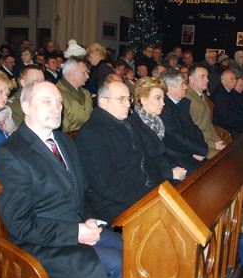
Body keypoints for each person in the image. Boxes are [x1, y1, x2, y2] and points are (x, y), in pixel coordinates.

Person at [0, 81, 122, 278]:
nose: (56, 108)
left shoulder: (64, 142)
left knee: (133, 246)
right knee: (116, 264)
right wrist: (76, 232)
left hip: (78, 228)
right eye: (47, 102)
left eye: (59, 102)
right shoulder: (11, 154)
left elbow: (84, 191)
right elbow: (20, 223)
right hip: (41, 246)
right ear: (26, 107)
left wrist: (91, 217)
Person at [76, 81, 163, 222]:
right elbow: (107, 184)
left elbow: (147, 160)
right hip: (116, 205)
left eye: (128, 99)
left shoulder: (126, 123)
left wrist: (161, 187)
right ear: (103, 102)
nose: (128, 105)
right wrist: (150, 195)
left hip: (144, 191)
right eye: (121, 99)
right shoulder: (91, 133)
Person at [127, 77, 187, 182]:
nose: (163, 103)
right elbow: (143, 165)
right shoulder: (133, 126)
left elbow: (165, 152)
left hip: (166, 169)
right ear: (143, 99)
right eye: (157, 98)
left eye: (162, 99)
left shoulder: (157, 121)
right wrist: (170, 172)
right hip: (153, 179)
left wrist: (177, 167)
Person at [159, 68, 208, 173]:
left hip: (191, 152)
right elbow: (175, 138)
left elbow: (195, 129)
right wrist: (196, 152)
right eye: (182, 84)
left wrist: (201, 149)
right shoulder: (164, 109)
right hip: (178, 158)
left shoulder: (181, 103)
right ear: (171, 88)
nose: (186, 87)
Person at [186, 65, 226, 158]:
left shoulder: (202, 95)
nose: (207, 80)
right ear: (191, 79)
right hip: (200, 147)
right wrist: (213, 144)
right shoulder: (187, 98)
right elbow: (192, 131)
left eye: (207, 77)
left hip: (209, 142)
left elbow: (209, 124)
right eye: (202, 77)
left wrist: (218, 141)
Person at [55, 56, 93, 132]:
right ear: (73, 73)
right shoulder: (56, 94)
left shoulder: (86, 93)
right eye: (84, 72)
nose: (87, 76)